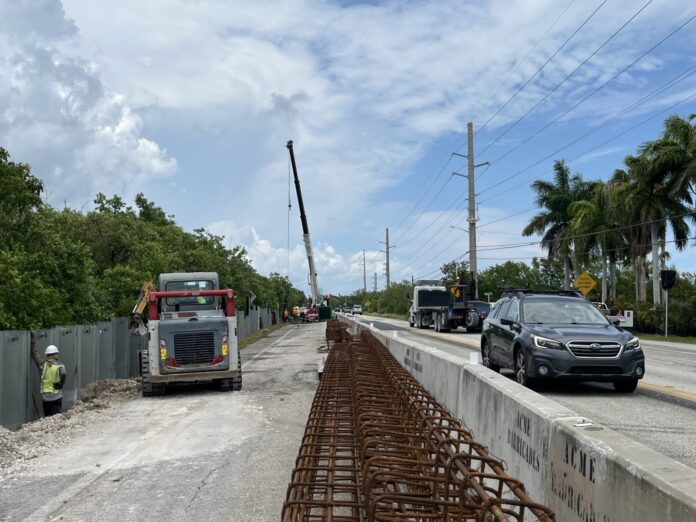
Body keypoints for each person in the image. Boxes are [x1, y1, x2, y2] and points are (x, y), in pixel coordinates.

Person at [39, 345, 67, 417]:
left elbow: (35, 354)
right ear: (56, 355)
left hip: (45, 397)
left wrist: (32, 340)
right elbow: (63, 373)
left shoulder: (43, 364)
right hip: (56, 396)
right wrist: (61, 384)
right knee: (55, 418)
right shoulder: (59, 365)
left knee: (47, 418)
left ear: (47, 355)